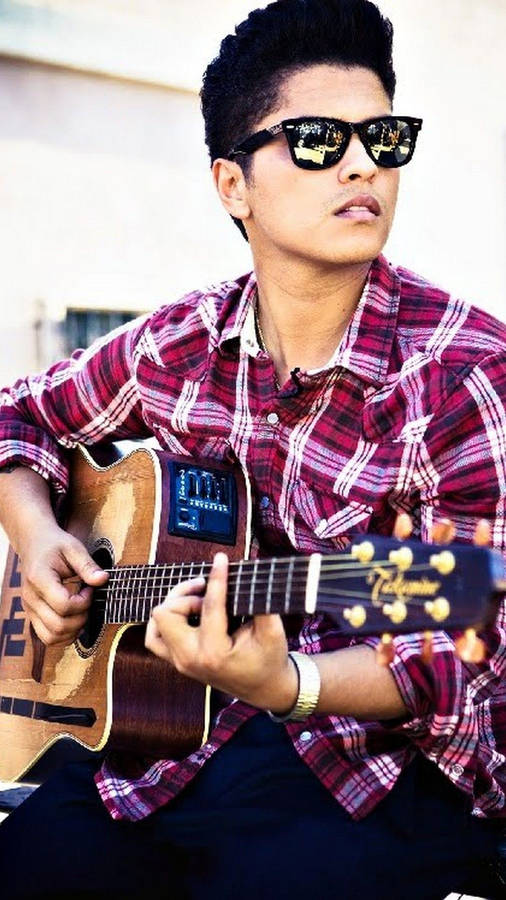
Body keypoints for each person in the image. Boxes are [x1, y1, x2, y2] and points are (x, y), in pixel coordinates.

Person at [0, 1, 505, 897]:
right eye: (317, 139)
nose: (361, 164)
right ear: (232, 186)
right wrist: (40, 542)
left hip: (388, 772)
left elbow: (448, 652)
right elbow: (19, 415)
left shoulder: (464, 376)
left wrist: (288, 681)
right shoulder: (179, 343)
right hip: (174, 738)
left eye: (383, 138)